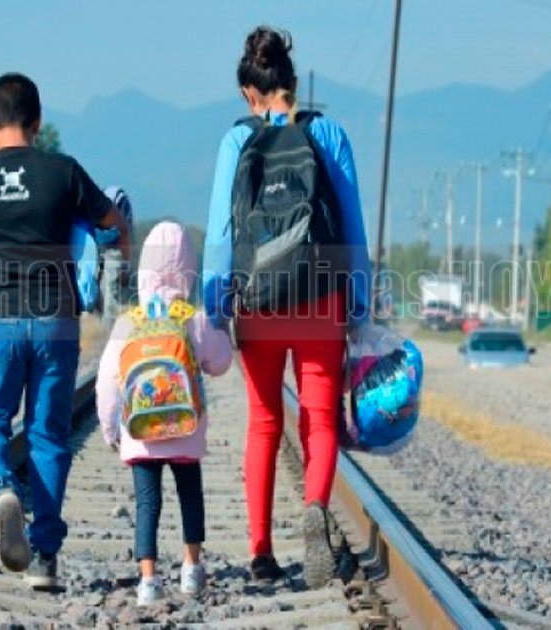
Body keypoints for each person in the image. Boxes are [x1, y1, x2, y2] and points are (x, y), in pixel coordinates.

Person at [202, 26, 372, 588]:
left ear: (248, 94)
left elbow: (222, 235)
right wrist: (360, 305)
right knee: (320, 418)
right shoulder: (327, 133)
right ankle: (315, 508)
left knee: (264, 422)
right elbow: (352, 227)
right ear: (293, 84)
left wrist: (216, 307)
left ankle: (260, 552)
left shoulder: (237, 141)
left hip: (259, 302)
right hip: (321, 297)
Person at [0, 72, 130, 589]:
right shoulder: (64, 171)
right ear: (38, 122)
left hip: (0, 320)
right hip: (56, 321)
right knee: (48, 435)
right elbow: (113, 223)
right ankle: (46, 558)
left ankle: (1, 491)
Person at [96, 222, 232, 606]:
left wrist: (111, 430)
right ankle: (191, 568)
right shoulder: (192, 318)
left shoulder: (129, 322)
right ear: (188, 270)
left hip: (141, 433)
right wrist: (221, 331)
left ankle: (148, 580)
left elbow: (107, 383)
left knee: (147, 503)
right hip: (185, 430)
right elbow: (221, 362)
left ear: (144, 269)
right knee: (190, 496)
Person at [97, 186, 135, 326]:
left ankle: (104, 332)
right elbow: (125, 234)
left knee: (106, 302)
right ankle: (106, 333)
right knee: (109, 302)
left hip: (102, 249)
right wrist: (126, 267)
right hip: (113, 251)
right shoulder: (119, 201)